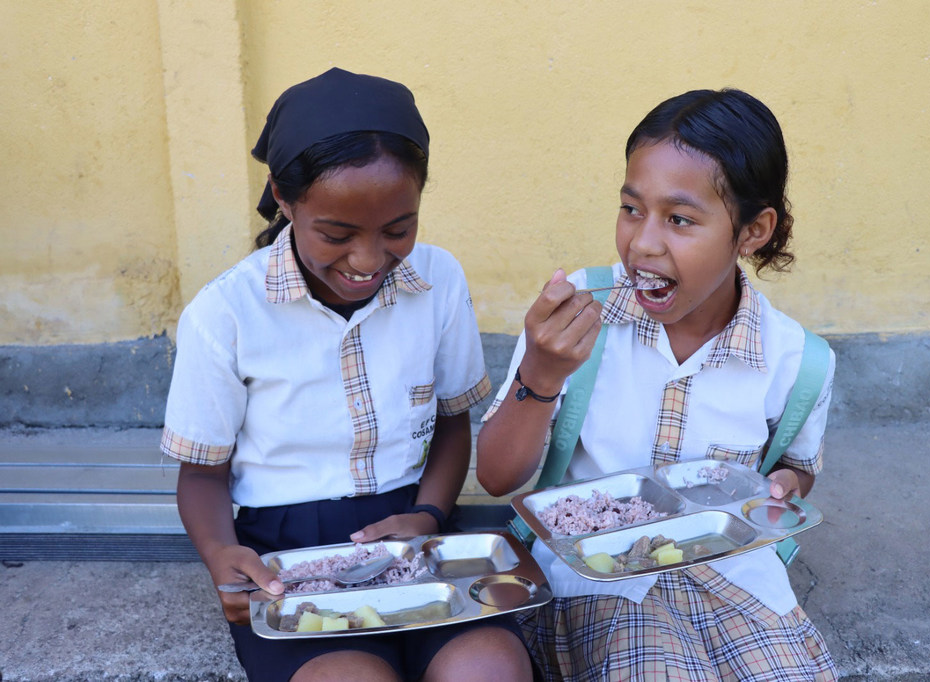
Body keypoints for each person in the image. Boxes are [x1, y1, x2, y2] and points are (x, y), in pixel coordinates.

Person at [161, 68, 534, 682]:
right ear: (284, 198)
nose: (368, 260)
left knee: (488, 670)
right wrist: (222, 554)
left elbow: (450, 422)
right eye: (336, 234)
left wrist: (430, 515)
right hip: (288, 553)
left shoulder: (439, 282)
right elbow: (202, 474)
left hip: (415, 530)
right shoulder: (224, 314)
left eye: (398, 230)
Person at [476, 88, 839, 681]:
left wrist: (784, 484)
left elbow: (798, 467)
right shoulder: (575, 320)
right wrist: (540, 376)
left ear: (753, 231)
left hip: (738, 578)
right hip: (600, 582)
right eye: (630, 208)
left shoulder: (798, 361)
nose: (643, 242)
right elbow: (496, 477)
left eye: (679, 219)